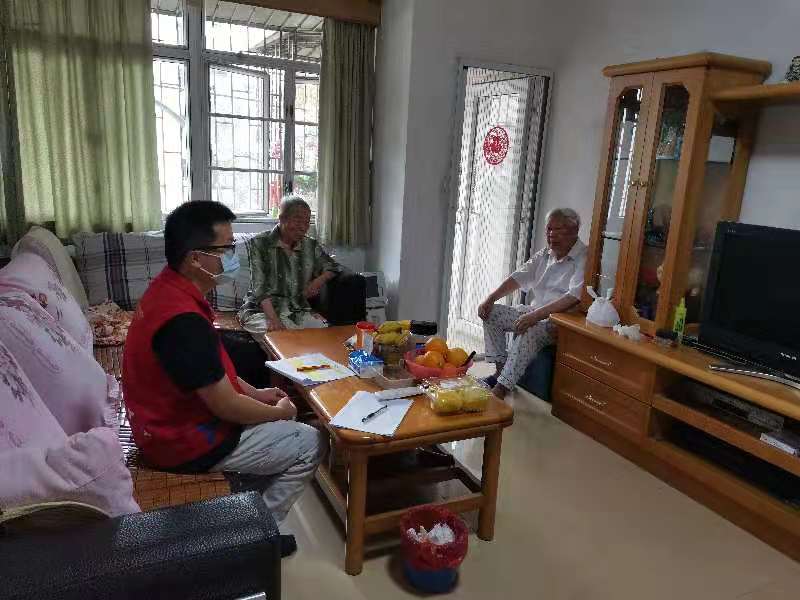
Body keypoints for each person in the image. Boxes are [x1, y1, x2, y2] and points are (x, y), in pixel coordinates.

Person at [122, 201, 323, 557]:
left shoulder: (170, 290)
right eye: (226, 248)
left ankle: (244, 514)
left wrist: (258, 393)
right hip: (181, 443)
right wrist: (278, 413)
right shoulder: (182, 321)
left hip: (168, 423)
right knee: (310, 441)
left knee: (275, 418)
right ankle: (258, 536)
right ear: (195, 258)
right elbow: (226, 406)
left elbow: (213, 371)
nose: (232, 256)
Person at [478, 208, 587, 400]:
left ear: (574, 230)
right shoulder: (545, 253)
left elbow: (574, 296)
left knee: (530, 328)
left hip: (560, 323)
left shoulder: (584, 257)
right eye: (549, 229)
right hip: (534, 312)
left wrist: (535, 317)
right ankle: (500, 373)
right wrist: (491, 298)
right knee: (491, 313)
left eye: (558, 229)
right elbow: (519, 276)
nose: (551, 234)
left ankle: (502, 388)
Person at [239, 196, 343, 334]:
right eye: (298, 221)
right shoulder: (260, 243)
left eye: (307, 223)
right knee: (273, 333)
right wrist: (273, 319)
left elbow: (333, 266)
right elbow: (259, 287)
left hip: (296, 310)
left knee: (324, 331)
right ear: (282, 218)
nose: (303, 228)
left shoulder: (310, 245)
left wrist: (317, 282)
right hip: (262, 311)